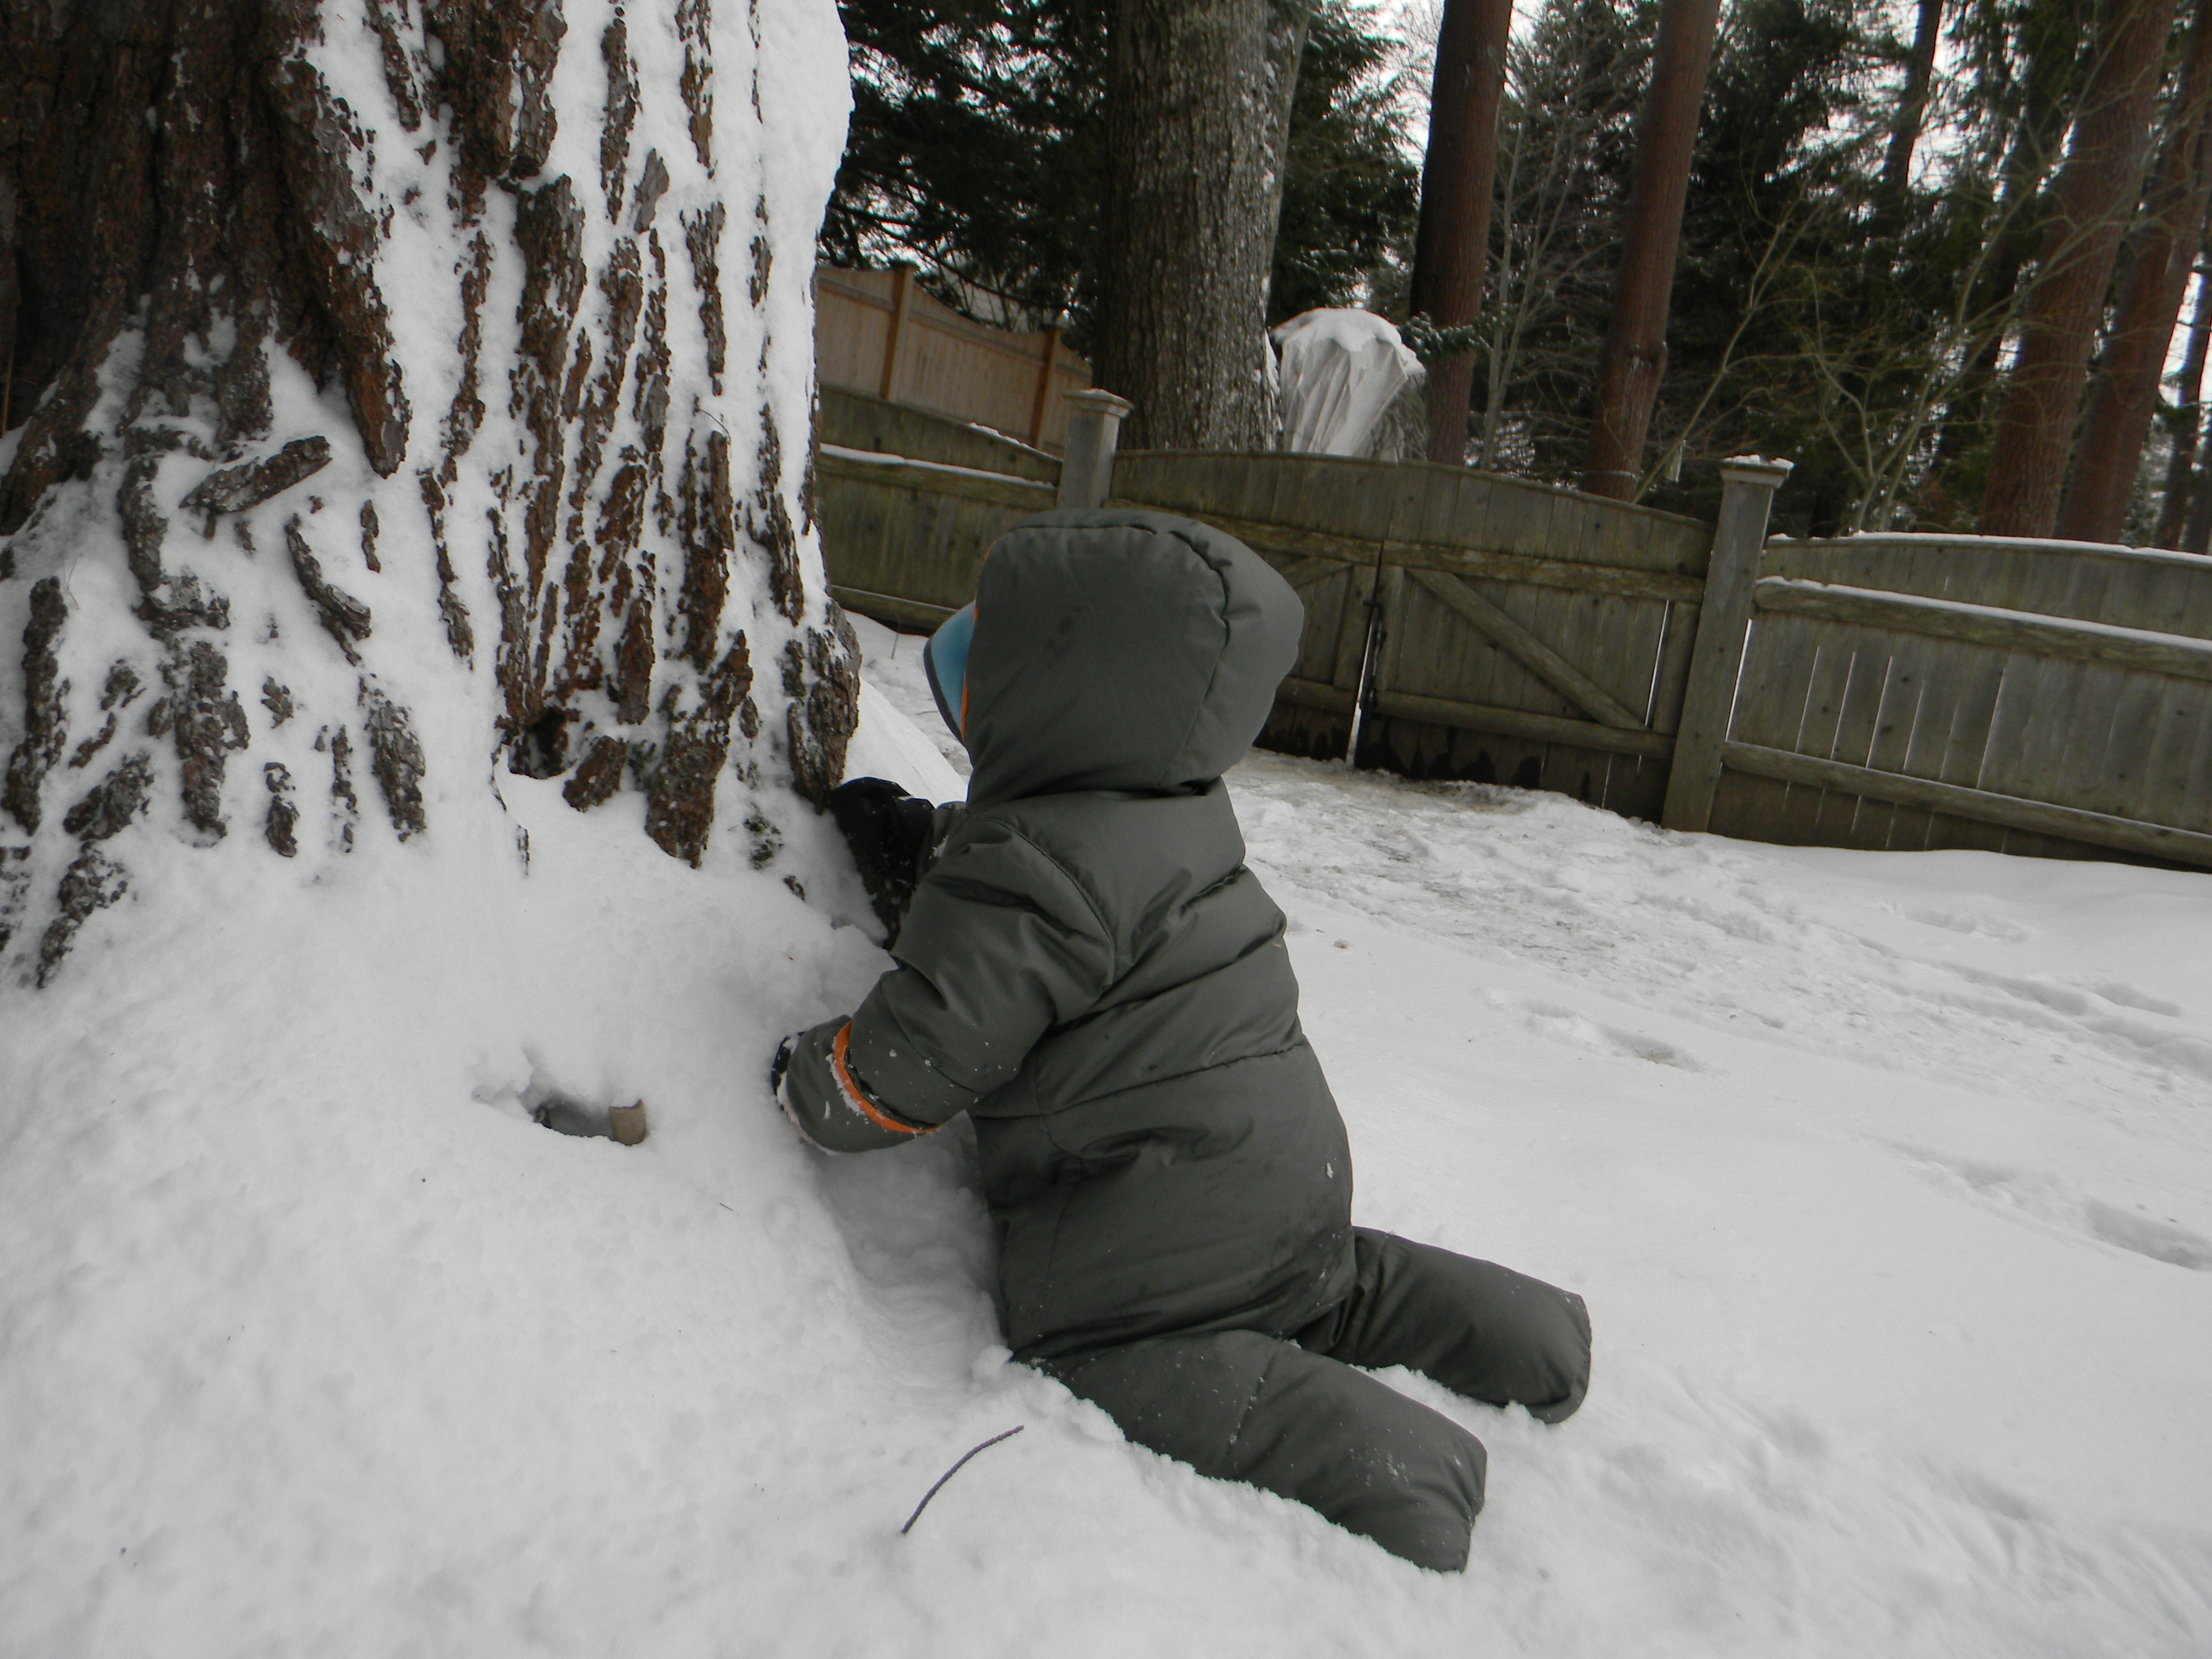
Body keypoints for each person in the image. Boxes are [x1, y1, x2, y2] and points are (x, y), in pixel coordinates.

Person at [773, 509, 1590, 1571]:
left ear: (1066, 694)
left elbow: (927, 1052)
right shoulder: (1179, 807)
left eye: (1003, 654)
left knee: (1122, 1361)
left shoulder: (1026, 863)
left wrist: (818, 1084)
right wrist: (933, 852)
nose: (966, 666)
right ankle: (1538, 1342)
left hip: (1143, 1252)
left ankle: (1412, 1476)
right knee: (1326, 1286)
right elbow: (1075, 898)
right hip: (1288, 1171)